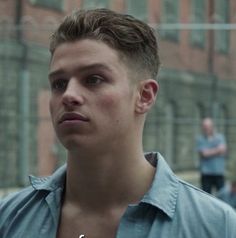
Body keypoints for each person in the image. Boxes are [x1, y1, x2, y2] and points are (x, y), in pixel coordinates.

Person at [1, 8, 236, 238]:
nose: (68, 95)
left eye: (93, 79)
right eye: (59, 83)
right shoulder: (10, 218)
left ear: (145, 96)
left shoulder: (216, 226)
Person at [196, 117, 227, 194]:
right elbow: (204, 154)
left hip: (219, 172)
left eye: (208, 126)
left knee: (222, 197)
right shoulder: (200, 139)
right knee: (205, 197)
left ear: (212, 126)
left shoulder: (220, 137)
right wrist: (217, 150)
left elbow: (223, 150)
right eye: (204, 126)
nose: (206, 128)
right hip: (206, 173)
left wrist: (209, 151)